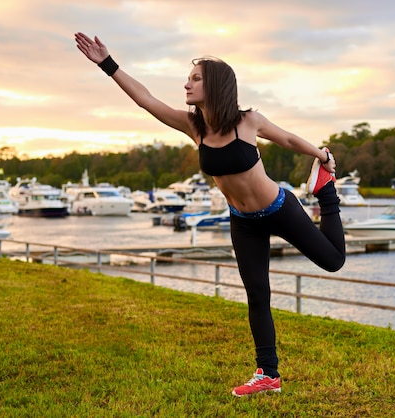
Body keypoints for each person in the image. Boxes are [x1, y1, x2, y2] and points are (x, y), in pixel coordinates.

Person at [74, 33, 346, 396]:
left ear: (215, 84)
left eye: (196, 78)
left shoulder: (248, 121)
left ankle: (326, 192)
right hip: (243, 221)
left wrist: (322, 155)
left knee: (333, 262)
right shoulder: (194, 127)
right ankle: (268, 374)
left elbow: (290, 141)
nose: (187, 84)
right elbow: (145, 100)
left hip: (279, 208)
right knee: (257, 295)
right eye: (189, 78)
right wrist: (108, 64)